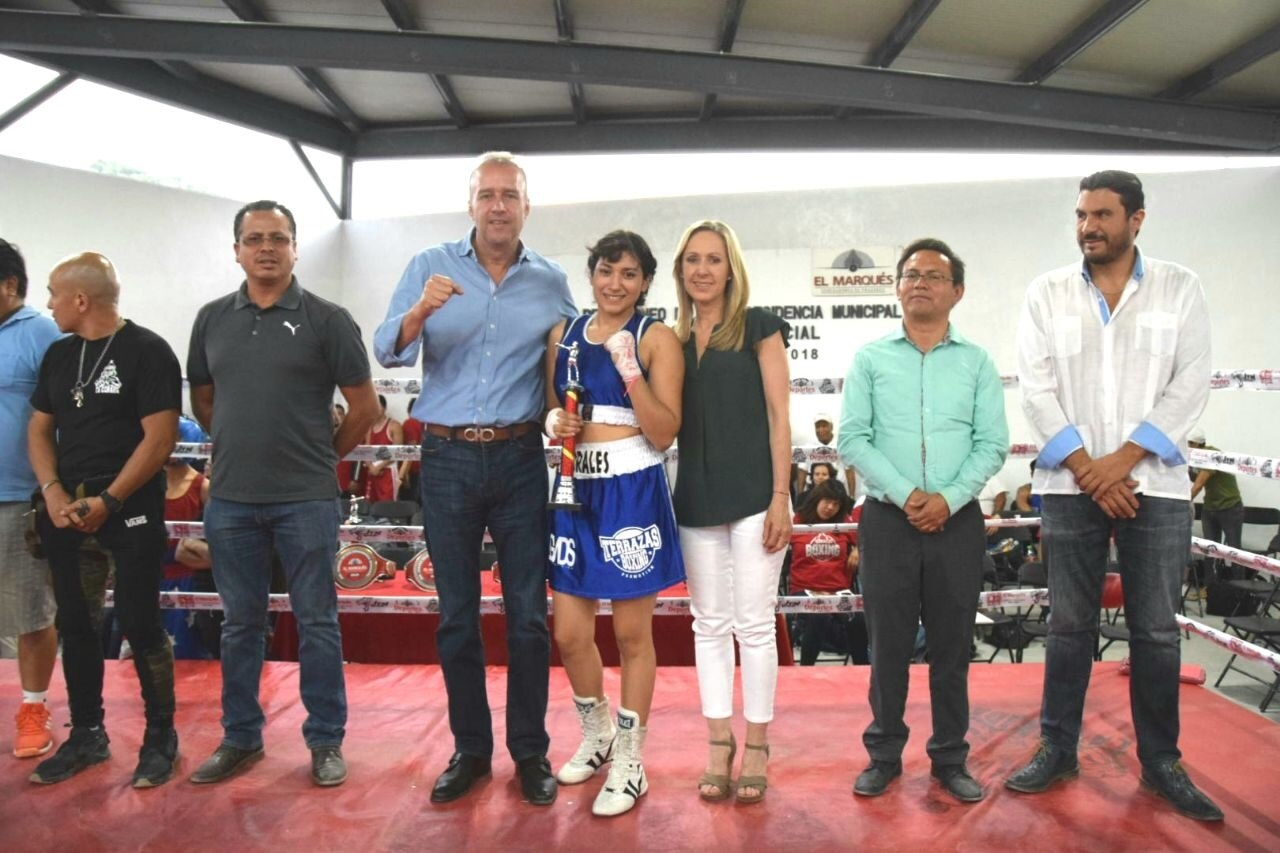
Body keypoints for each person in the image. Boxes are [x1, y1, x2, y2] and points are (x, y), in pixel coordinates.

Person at [1008, 170, 1221, 821]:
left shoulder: (1180, 289)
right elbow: (1035, 389)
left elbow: (1191, 384)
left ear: (1137, 219)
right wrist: (1087, 466)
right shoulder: (1046, 294)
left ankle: (1161, 761)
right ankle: (1057, 746)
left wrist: (1121, 462)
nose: (1088, 226)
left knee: (1155, 629)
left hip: (1151, 485)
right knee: (1069, 624)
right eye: (1081, 215)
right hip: (1068, 485)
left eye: (1102, 214)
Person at [374, 151, 576, 806]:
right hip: (448, 457)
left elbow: (572, 361)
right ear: (471, 204)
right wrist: (417, 315)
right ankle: (470, 749)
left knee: (528, 617)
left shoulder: (550, 280)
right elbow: (385, 347)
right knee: (456, 614)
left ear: (525, 206)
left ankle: (530, 752)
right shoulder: (428, 265)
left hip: (520, 458)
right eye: (486, 194)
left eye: (508, 195)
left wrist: (575, 412)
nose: (497, 205)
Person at [187, 200, 379, 788]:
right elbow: (205, 399)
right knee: (239, 624)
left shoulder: (327, 318)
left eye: (277, 238)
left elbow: (366, 407)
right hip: (233, 502)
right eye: (253, 238)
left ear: (295, 247)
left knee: (318, 621)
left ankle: (325, 740)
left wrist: (319, 460)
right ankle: (240, 737)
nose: (265, 248)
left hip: (306, 499)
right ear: (237, 249)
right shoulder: (212, 318)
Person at [839, 238, 1008, 804]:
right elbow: (852, 438)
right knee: (886, 644)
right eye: (910, 274)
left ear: (956, 291)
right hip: (888, 520)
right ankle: (884, 754)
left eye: (934, 275)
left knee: (951, 646)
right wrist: (909, 493)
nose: (920, 282)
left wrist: (949, 498)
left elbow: (992, 445)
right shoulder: (870, 359)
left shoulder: (978, 362)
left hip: (956, 523)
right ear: (897, 287)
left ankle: (950, 758)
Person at [27, 253, 181, 787]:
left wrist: (111, 501)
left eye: (52, 293)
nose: (47, 304)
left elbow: (160, 438)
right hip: (69, 513)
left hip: (129, 510)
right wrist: (52, 492)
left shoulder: (148, 351)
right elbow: (40, 429)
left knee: (140, 624)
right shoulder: (59, 355)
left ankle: (161, 735)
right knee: (77, 624)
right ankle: (88, 733)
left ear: (80, 300)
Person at [544, 230, 684, 816]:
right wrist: (554, 420)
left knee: (631, 637)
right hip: (576, 487)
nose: (615, 283)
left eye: (629, 274)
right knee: (571, 635)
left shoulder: (658, 338)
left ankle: (631, 761)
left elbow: (664, 430)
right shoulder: (564, 334)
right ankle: (599, 736)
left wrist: (629, 371)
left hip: (632, 492)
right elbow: (549, 405)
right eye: (607, 270)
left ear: (645, 281)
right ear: (592, 272)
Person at [671, 220, 791, 805]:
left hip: (753, 497)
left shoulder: (760, 327)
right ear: (681, 269)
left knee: (755, 624)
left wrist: (780, 496)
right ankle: (719, 743)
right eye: (692, 259)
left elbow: (778, 415)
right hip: (694, 497)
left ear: (731, 267)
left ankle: (759, 745)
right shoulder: (668, 337)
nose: (702, 269)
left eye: (713, 259)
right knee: (709, 625)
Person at [0, 239, 61, 761]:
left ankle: (34, 707)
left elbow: (67, 414)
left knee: (31, 613)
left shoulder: (41, 333)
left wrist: (54, 489)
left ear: (10, 286)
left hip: (19, 498)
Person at [788, 479, 865, 666]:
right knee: (820, 613)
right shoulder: (797, 521)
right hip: (804, 589)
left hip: (839, 590)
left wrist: (857, 549)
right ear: (817, 499)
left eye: (836, 504)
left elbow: (864, 540)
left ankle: (864, 670)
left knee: (859, 617)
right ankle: (806, 670)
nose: (830, 507)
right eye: (827, 501)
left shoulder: (844, 524)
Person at [1188, 427, 1243, 584]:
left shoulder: (1212, 455)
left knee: (1235, 550)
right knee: (1209, 550)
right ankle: (1211, 591)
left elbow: (1198, 485)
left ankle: (1240, 591)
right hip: (1210, 507)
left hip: (1230, 507)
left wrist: (1183, 503)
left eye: (1189, 444)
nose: (1187, 448)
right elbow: (1193, 478)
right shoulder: (1197, 457)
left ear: (1197, 444)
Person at [360, 395, 402, 503]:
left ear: (383, 408)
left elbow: (398, 452)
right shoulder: (369, 427)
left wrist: (379, 466)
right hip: (372, 471)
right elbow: (366, 450)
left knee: (387, 508)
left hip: (387, 472)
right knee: (371, 507)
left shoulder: (394, 426)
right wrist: (371, 466)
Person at [398, 396, 424, 502]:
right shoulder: (426, 425)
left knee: (409, 505)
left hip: (414, 472)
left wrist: (403, 475)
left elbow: (410, 451)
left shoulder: (410, 423)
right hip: (424, 470)